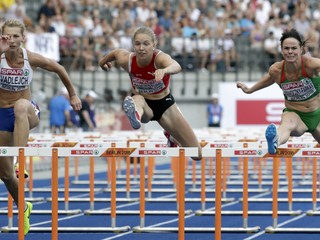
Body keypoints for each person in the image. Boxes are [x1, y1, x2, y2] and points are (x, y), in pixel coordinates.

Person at [0, 19, 82, 235]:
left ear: (23, 38)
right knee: (6, 175)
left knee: (20, 106)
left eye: (17, 36)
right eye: (8, 36)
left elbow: (59, 68)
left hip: (27, 112)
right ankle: (23, 206)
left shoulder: (30, 58)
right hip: (2, 116)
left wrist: (72, 94)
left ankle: (20, 161)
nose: (13, 40)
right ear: (2, 38)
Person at [99, 26, 201, 160]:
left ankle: (172, 136)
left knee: (196, 155)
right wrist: (102, 64)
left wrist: (165, 70)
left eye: (146, 44)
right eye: (137, 44)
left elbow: (177, 66)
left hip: (164, 105)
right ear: (133, 46)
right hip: (143, 104)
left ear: (154, 44)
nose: (141, 48)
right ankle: (135, 115)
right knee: (136, 98)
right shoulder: (128, 60)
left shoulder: (160, 58)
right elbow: (115, 53)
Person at [236, 28, 320, 154]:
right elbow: (268, 79)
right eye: (286, 48)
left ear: (301, 49)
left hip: (318, 114)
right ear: (281, 50)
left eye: (294, 48)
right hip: (296, 114)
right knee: (286, 125)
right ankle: (275, 140)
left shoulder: (310, 64)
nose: (290, 52)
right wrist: (250, 90)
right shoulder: (276, 70)